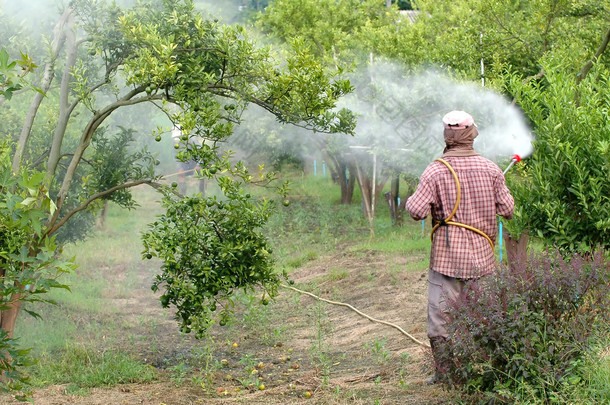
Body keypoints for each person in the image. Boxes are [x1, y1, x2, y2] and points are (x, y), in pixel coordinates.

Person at [405, 110, 514, 384]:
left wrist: (412, 198)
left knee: (441, 318)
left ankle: (446, 374)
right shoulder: (491, 169)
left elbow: (416, 211)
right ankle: (494, 371)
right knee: (489, 314)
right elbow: (508, 209)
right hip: (482, 259)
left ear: (447, 135)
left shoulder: (435, 170)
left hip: (446, 259)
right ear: (472, 134)